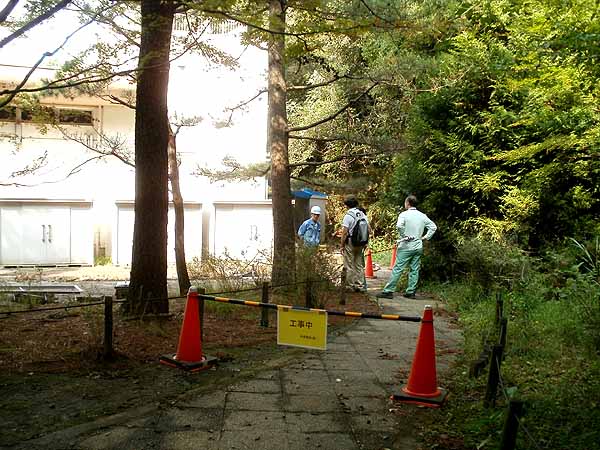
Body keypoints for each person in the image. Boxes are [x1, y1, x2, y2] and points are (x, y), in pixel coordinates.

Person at [376, 195, 437, 299]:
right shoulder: (422, 215)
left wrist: (404, 235)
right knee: (414, 269)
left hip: (406, 246)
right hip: (418, 246)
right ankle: (410, 292)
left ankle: (388, 291)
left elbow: (399, 226)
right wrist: (425, 237)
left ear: (407, 203)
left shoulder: (404, 214)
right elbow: (433, 227)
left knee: (398, 268)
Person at [340, 196, 368, 292]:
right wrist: (366, 242)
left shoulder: (348, 216)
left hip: (351, 242)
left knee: (349, 264)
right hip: (361, 242)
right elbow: (368, 229)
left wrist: (342, 245)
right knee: (359, 265)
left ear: (347, 205)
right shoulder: (362, 214)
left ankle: (349, 286)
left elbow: (344, 232)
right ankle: (360, 285)